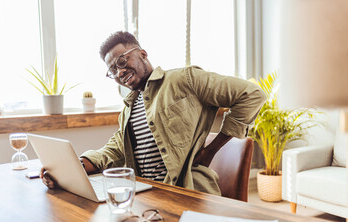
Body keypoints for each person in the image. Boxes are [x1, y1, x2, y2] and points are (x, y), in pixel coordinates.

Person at [41, 31, 266, 195]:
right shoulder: (128, 108)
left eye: (122, 61)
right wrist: (74, 167)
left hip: (186, 192)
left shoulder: (184, 79)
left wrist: (210, 150)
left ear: (142, 53)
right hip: (146, 195)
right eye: (112, 70)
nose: (119, 72)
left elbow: (252, 94)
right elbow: (116, 148)